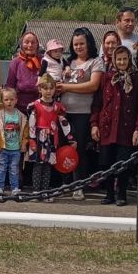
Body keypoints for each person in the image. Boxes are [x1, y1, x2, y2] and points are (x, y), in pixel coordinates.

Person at [91, 45, 138, 206]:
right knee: (106, 162)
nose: (121, 62)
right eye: (119, 59)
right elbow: (98, 103)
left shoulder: (137, 78)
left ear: (129, 60)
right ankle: (109, 194)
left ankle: (121, 194)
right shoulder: (107, 77)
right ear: (114, 60)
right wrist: (94, 124)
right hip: (107, 127)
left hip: (125, 128)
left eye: (124, 59)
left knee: (123, 164)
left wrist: (137, 128)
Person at [58, 27, 104, 200]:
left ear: (89, 44)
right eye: (75, 44)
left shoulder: (96, 62)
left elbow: (93, 85)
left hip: (83, 113)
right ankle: (65, 183)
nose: (78, 47)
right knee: (63, 148)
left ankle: (79, 185)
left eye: (81, 44)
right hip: (63, 112)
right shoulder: (66, 62)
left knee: (79, 150)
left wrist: (66, 87)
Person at [27, 74, 73, 195]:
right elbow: (31, 124)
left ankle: (45, 191)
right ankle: (36, 190)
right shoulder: (35, 105)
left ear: (54, 89)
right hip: (38, 138)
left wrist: (70, 139)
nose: (48, 91)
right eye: (45, 88)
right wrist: (31, 139)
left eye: (51, 88)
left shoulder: (58, 107)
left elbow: (64, 123)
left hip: (52, 138)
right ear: (39, 89)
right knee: (38, 165)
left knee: (48, 166)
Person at [0, 87, 28, 197]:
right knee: (1, 168)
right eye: (6, 99)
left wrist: (24, 143)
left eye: (12, 99)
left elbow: (25, 132)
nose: (9, 102)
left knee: (14, 169)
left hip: (16, 148)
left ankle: (15, 188)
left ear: (16, 100)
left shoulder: (21, 116)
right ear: (2, 100)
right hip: (3, 147)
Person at [6, 32, 42, 112]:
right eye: (26, 42)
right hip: (19, 107)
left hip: (39, 107)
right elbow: (10, 86)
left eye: (33, 42)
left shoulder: (43, 61)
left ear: (37, 45)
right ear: (21, 44)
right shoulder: (15, 62)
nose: (30, 45)